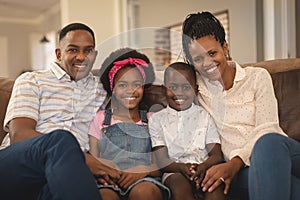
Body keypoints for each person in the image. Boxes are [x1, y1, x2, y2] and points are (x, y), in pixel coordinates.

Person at [181, 11, 295, 200]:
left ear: (225, 48)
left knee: (267, 143)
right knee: (291, 187)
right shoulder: (196, 88)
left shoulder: (257, 77)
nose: (207, 63)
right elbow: (166, 79)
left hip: (279, 152)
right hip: (245, 173)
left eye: (212, 53)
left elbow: (268, 128)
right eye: (198, 59)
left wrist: (234, 163)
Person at [0, 23, 120, 199]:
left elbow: (136, 73)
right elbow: (19, 135)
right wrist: (82, 158)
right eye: (73, 50)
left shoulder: (101, 88)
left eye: (88, 50)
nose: (81, 56)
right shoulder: (32, 80)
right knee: (61, 139)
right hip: (18, 165)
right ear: (58, 54)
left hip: (63, 173)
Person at [88, 47, 170, 200]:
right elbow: (94, 159)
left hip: (144, 179)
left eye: (136, 84)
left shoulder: (153, 120)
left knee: (144, 193)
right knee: (104, 197)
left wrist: (143, 170)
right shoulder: (99, 119)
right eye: (122, 85)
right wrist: (105, 170)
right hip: (109, 181)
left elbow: (162, 164)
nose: (130, 90)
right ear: (112, 89)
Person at [149, 62, 225, 200]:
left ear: (195, 90)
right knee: (179, 184)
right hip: (174, 171)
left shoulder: (205, 116)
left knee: (214, 185)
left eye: (186, 87)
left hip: (204, 168)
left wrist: (203, 167)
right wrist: (180, 168)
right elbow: (161, 160)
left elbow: (216, 155)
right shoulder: (156, 120)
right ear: (163, 89)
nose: (179, 92)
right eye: (173, 87)